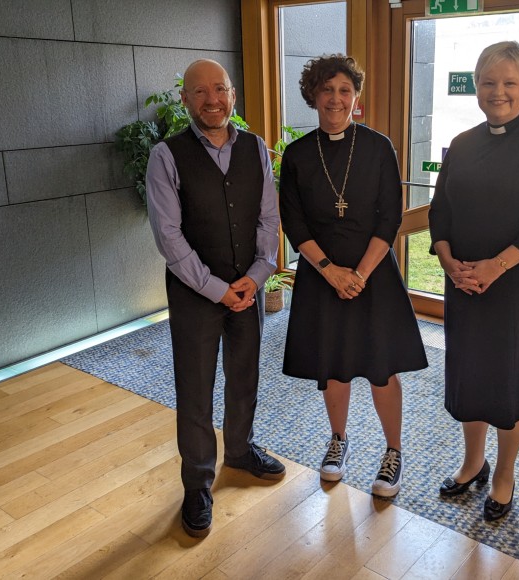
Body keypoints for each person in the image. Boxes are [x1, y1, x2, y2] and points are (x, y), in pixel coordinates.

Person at [429, 41, 519, 521]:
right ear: (476, 87)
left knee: (513, 380)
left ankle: (504, 475)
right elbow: (440, 211)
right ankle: (473, 462)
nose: (498, 92)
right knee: (471, 375)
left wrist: (496, 265)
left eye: (510, 82)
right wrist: (450, 262)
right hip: (467, 282)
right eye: (488, 82)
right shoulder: (464, 143)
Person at [146, 59, 285, 538]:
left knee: (245, 375)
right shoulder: (166, 156)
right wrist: (215, 288)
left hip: (247, 288)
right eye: (200, 92)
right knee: (196, 389)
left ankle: (241, 451)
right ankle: (198, 483)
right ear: (185, 99)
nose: (213, 100)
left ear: (232, 94)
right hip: (194, 295)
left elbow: (269, 220)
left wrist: (257, 273)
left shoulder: (257, 149)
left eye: (220, 89)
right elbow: (169, 237)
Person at [279, 54, 428, 498]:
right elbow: (294, 222)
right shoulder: (298, 154)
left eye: (345, 90)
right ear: (313, 96)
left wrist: (358, 273)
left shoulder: (379, 147)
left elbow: (390, 218)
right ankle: (339, 440)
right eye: (327, 90)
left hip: (374, 274)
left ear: (356, 97)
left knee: (382, 369)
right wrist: (330, 271)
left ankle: (393, 451)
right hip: (323, 277)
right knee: (335, 366)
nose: (336, 99)